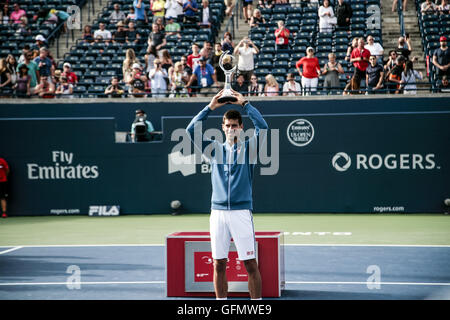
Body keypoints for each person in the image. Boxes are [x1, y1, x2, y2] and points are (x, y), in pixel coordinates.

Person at [185, 89, 267, 300]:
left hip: (241, 212)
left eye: (235, 126)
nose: (231, 129)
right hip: (218, 213)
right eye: (227, 126)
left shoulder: (250, 148)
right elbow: (191, 130)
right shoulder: (213, 149)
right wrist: (210, 107)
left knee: (250, 264)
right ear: (222, 128)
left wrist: (245, 104)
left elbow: (263, 128)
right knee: (219, 263)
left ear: (241, 127)